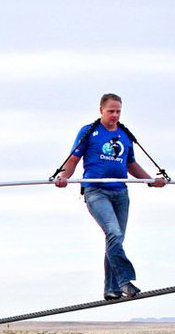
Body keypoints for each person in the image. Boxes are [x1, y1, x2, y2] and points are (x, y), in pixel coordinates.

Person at [54, 94, 166, 300]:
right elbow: (73, 159)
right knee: (113, 232)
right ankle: (124, 280)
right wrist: (63, 176)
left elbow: (131, 164)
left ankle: (111, 289)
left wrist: (151, 181)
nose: (115, 115)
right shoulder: (90, 131)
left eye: (118, 111)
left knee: (115, 240)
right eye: (111, 111)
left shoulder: (124, 134)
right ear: (101, 110)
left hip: (120, 193)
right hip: (96, 191)